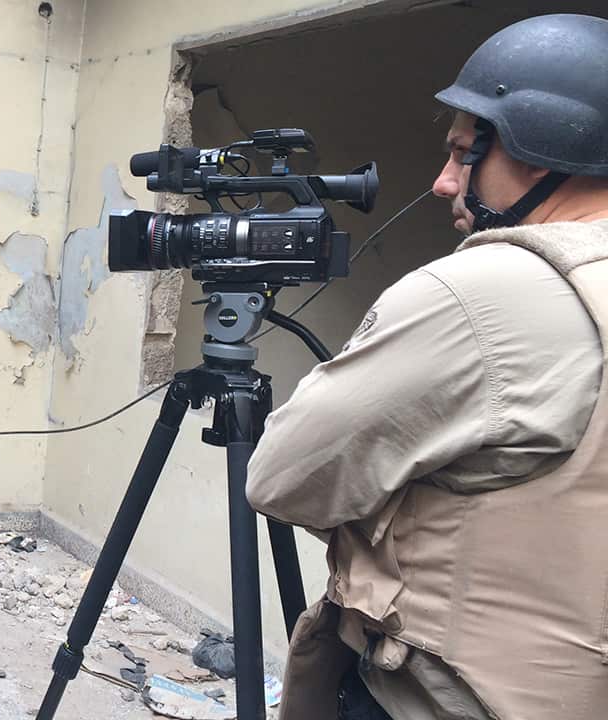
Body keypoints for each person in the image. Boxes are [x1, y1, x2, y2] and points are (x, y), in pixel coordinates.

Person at [246, 13, 608, 720]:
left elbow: (282, 477)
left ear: (538, 149)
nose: (444, 183)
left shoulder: (482, 292)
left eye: (464, 154)